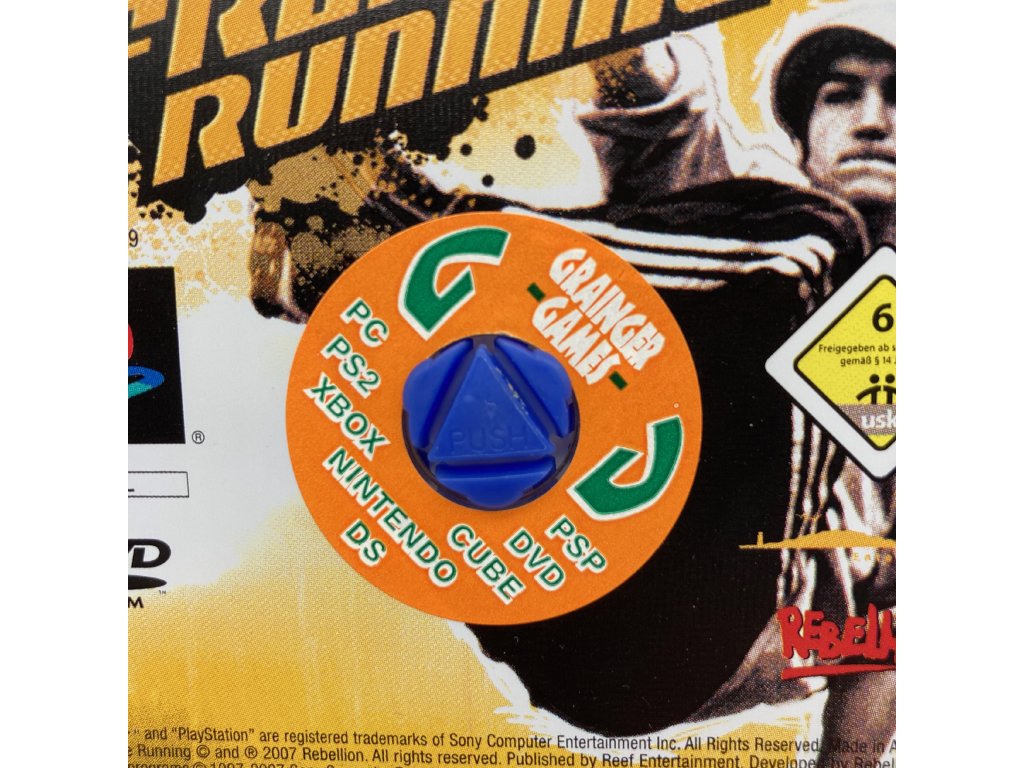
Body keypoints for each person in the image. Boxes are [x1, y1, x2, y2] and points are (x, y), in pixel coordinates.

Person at [246, 0, 895, 747]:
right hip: (547, 591)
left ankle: (379, 244)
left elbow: (894, 643)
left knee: (820, 249)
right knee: (722, 254)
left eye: (903, 99)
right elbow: (665, 121)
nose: (873, 122)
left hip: (701, 635)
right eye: (840, 95)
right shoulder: (739, 225)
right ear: (804, 134)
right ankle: (370, 261)